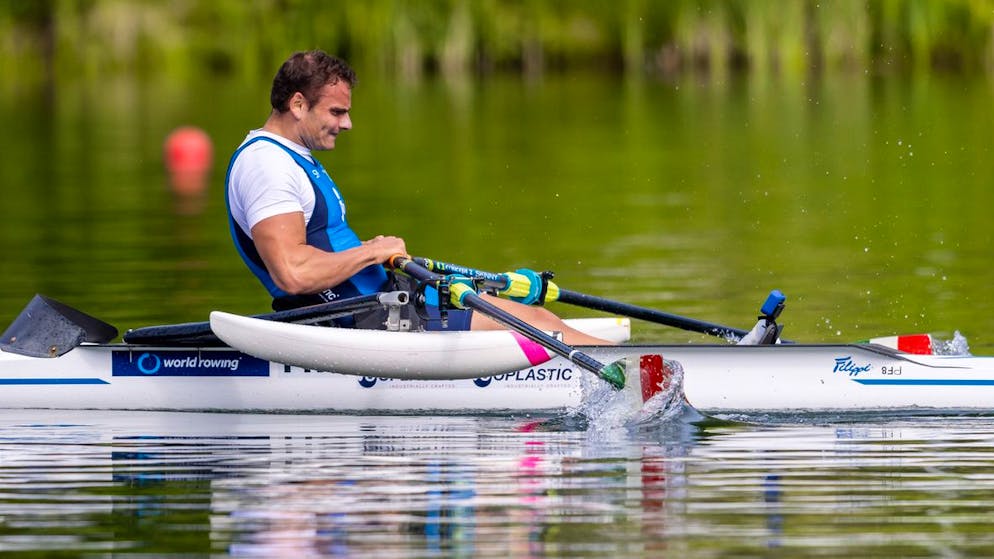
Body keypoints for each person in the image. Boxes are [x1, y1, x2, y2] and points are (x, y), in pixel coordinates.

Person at [225, 49, 610, 345]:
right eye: (337, 111)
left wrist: (375, 254)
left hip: (383, 302)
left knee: (534, 311)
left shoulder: (289, 157)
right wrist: (372, 251)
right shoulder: (267, 166)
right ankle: (640, 375)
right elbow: (292, 273)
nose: (347, 123)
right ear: (297, 104)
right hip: (358, 321)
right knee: (537, 325)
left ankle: (635, 368)